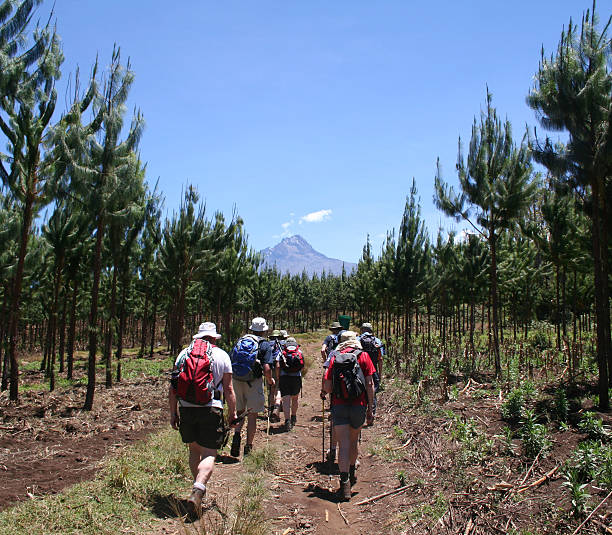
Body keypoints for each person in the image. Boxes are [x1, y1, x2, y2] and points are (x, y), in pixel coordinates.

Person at [169, 322, 237, 514]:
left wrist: (173, 413)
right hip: (211, 408)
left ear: (198, 337)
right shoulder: (222, 355)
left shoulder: (183, 354)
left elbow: (173, 388)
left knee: (194, 450)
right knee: (209, 453)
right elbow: (229, 389)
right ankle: (198, 488)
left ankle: (196, 487)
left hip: (187, 409)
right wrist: (232, 414)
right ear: (214, 337)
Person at [322, 330, 375, 501]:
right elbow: (370, 383)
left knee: (343, 444)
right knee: (353, 441)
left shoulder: (334, 357)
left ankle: (344, 483)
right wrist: (370, 409)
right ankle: (352, 473)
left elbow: (327, 386)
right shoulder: (364, 356)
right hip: (359, 405)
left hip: (339, 405)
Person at [229, 317, 276, 457]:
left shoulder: (241, 340)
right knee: (252, 416)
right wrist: (270, 380)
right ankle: (248, 447)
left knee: (240, 411)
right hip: (253, 382)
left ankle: (237, 436)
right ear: (264, 331)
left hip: (237, 380)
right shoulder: (264, 345)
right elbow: (267, 368)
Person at [277, 336, 304, 431]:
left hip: (284, 378)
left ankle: (287, 420)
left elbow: (277, 365)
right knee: (295, 398)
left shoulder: (282, 352)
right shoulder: (299, 352)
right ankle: (293, 416)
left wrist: (278, 377)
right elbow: (302, 366)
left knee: (286, 400)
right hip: (296, 378)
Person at [358, 322, 384, 416]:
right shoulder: (377, 340)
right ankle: (371, 413)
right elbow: (380, 359)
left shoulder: (358, 339)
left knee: (360, 392)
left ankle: (361, 413)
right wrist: (380, 374)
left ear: (362, 330)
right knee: (372, 392)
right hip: (373, 370)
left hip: (360, 371)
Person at [268, 330, 284, 423]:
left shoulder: (267, 344)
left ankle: (270, 410)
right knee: (279, 389)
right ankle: (276, 409)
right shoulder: (282, 344)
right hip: (280, 369)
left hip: (269, 369)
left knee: (271, 389)